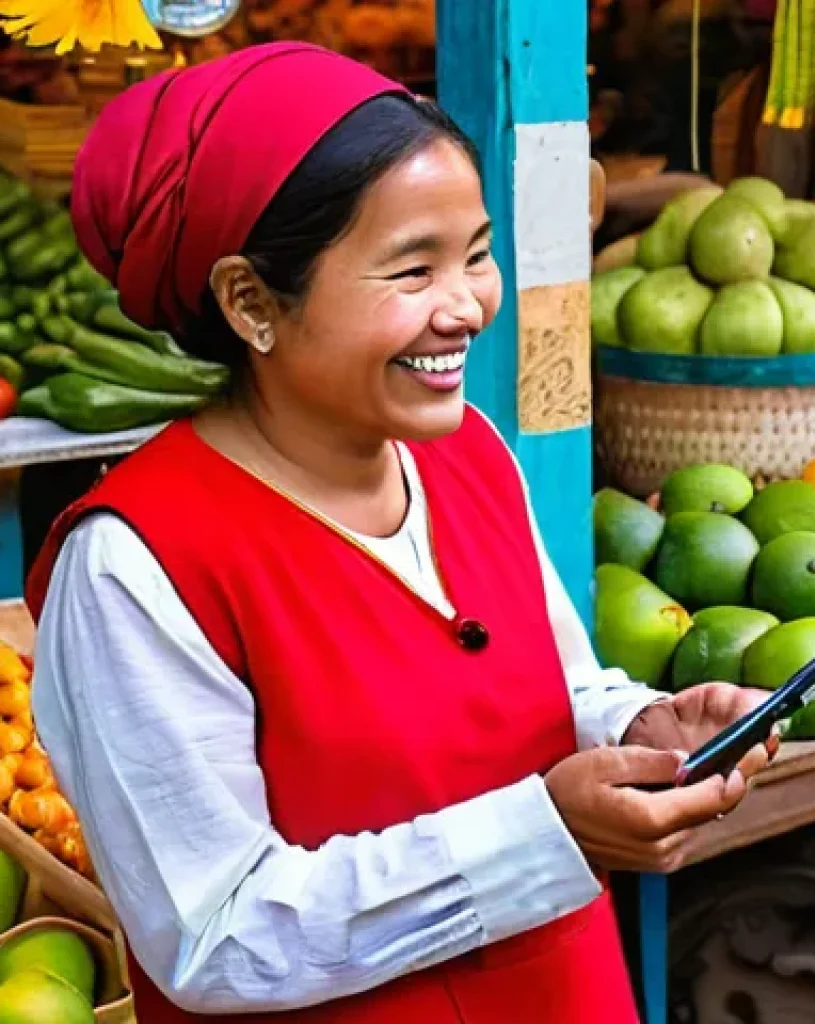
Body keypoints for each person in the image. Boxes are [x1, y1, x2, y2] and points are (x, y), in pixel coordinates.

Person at [26, 42, 776, 1024]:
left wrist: (633, 730)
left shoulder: (469, 453)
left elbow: (552, 686)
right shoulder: (135, 564)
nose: (465, 305)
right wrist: (545, 832)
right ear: (250, 300)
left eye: (474, 253)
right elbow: (212, 933)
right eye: (411, 269)